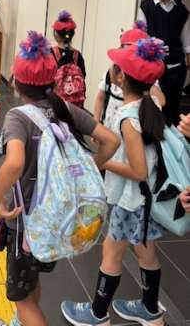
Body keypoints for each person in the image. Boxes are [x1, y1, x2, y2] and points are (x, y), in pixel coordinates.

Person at [0, 31, 119, 326]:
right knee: (31, 281)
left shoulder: (18, 117)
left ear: (16, 81)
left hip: (26, 222)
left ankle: (24, 318)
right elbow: (111, 140)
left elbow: (14, 163)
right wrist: (91, 168)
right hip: (57, 219)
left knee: (21, 298)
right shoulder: (64, 108)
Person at [61, 37, 168, 326]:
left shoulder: (128, 117)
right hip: (145, 200)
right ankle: (150, 310)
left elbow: (138, 171)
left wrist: (100, 162)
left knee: (111, 250)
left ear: (121, 77)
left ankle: (97, 314)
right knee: (146, 251)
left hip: (131, 200)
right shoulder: (150, 105)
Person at [138, 0, 190, 124]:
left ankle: (170, 131)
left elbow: (186, 37)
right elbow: (141, 34)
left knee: (173, 103)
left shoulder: (181, 10)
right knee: (153, 102)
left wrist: (188, 56)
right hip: (153, 63)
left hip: (175, 64)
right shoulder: (146, 7)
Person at [94, 23, 165, 129]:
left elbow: (161, 101)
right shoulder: (111, 73)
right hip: (109, 127)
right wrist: (96, 123)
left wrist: (146, 77)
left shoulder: (147, 78)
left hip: (132, 128)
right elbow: (100, 97)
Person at [51, 11, 86, 107]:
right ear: (72, 35)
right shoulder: (78, 55)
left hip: (56, 105)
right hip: (75, 106)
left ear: (56, 34)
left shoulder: (50, 53)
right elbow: (83, 76)